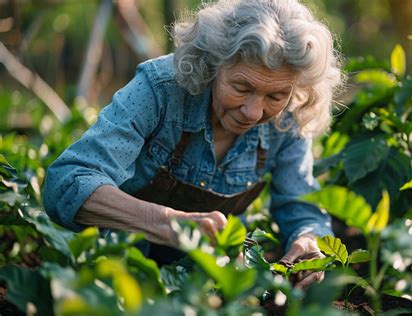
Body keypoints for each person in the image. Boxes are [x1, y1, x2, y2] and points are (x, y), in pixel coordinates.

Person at [43, 0, 343, 289]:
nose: (253, 111)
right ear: (213, 64)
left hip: (210, 279)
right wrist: (168, 223)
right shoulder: (159, 90)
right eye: (241, 87)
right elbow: (68, 182)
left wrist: (309, 240)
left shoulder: (289, 117)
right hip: (115, 269)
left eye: (275, 96)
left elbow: (299, 204)